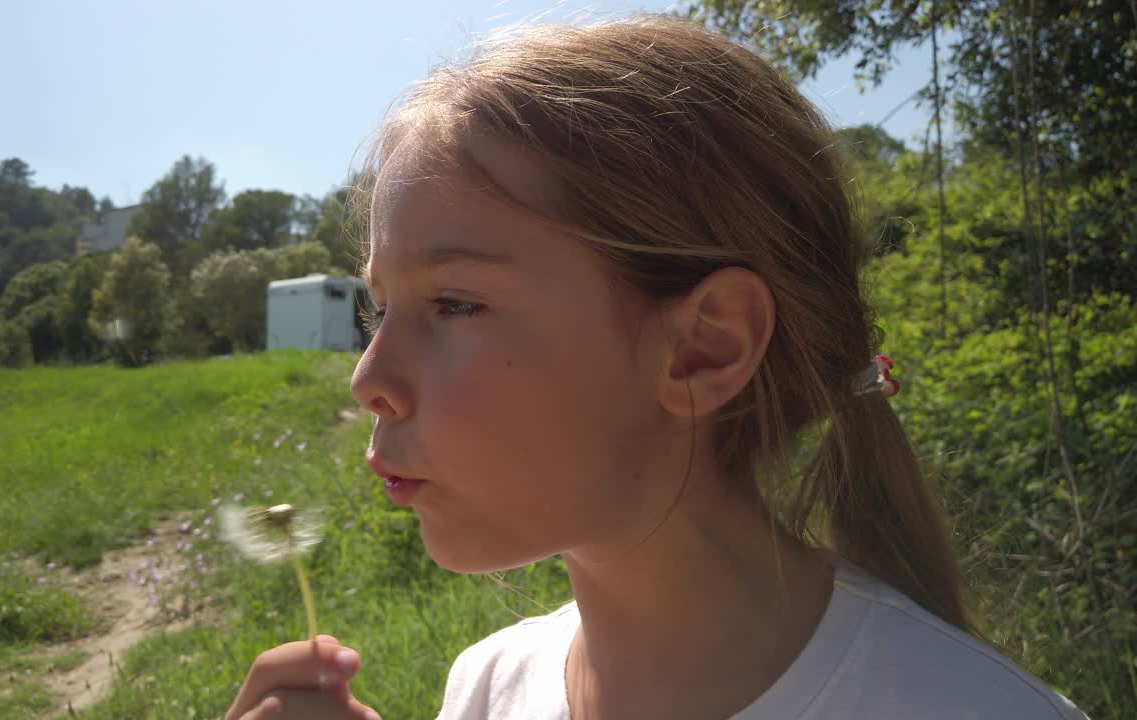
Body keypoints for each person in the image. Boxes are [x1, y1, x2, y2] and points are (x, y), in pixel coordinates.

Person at [224, 16, 1089, 720]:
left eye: (454, 303)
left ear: (705, 346)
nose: (367, 376)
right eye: (380, 309)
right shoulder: (486, 688)